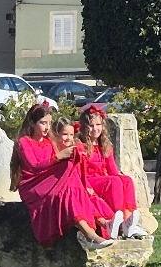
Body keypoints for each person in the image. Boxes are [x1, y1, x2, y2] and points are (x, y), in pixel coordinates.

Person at [12, 103, 112, 250]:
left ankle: (92, 231)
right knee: (69, 177)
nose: (47, 127)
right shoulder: (24, 142)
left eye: (49, 123)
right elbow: (34, 165)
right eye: (42, 123)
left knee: (71, 185)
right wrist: (59, 156)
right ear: (32, 123)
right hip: (33, 185)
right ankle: (95, 228)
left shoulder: (49, 142)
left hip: (49, 182)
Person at [77, 103, 147, 239]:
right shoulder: (81, 145)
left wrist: (122, 177)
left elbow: (113, 170)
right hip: (89, 180)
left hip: (102, 179)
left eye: (98, 125)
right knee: (113, 181)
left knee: (126, 180)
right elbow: (81, 172)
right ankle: (118, 216)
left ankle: (128, 218)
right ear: (85, 127)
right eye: (91, 125)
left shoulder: (105, 145)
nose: (95, 129)